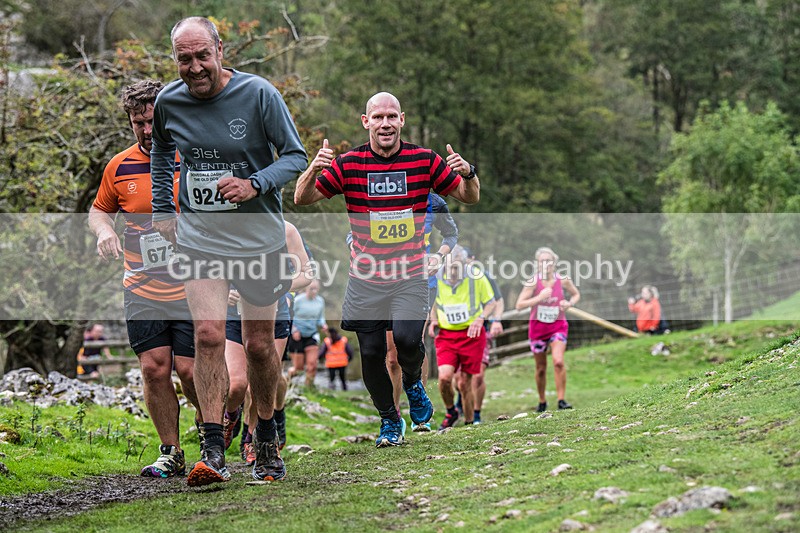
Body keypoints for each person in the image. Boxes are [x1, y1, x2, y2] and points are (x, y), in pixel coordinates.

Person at [150, 17, 307, 485]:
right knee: (208, 337)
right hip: (200, 237)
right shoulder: (167, 102)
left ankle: (264, 445)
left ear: (221, 49)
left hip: (258, 237)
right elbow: (159, 152)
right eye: (184, 58)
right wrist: (162, 211)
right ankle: (213, 448)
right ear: (175, 58)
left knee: (259, 346)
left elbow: (295, 156)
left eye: (202, 55)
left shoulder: (259, 94)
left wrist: (255, 183)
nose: (194, 67)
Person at [295, 91, 480, 447]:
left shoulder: (423, 160)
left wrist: (469, 172)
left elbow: (469, 196)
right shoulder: (349, 164)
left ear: (402, 120)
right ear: (366, 122)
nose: (385, 123)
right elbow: (302, 199)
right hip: (365, 279)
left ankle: (412, 381)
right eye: (377, 117)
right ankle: (390, 421)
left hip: (409, 274)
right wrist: (313, 168)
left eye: (391, 117)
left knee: (409, 341)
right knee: (373, 353)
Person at [88, 79, 201, 478]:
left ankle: (210, 439)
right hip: (141, 285)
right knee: (154, 368)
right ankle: (171, 451)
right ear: (130, 123)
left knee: (189, 370)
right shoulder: (119, 166)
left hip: (193, 284)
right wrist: (104, 231)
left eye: (153, 120)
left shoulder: (191, 158)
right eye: (139, 123)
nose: (148, 130)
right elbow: (100, 209)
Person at [345, 190, 458, 431]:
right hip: (380, 283)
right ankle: (394, 416)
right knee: (391, 354)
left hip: (420, 282)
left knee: (411, 341)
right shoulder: (379, 196)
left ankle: (420, 408)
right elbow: (353, 234)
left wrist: (438, 257)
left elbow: (451, 234)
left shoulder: (433, 202)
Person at [224, 221, 312, 464]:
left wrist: (273, 288)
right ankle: (228, 418)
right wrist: (223, 291)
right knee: (236, 385)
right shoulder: (227, 225)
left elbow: (306, 275)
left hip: (274, 314)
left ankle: (252, 439)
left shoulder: (286, 230)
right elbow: (209, 271)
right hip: (235, 315)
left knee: (259, 386)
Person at [428, 245, 497, 429]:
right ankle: (451, 411)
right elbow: (432, 302)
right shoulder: (435, 277)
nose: (452, 272)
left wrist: (481, 319)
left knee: (465, 382)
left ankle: (469, 423)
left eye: (457, 268)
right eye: (450, 267)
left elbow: (491, 303)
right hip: (446, 335)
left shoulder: (476, 276)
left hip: (471, 334)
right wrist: (433, 320)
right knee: (444, 378)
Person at [515, 246, 580, 412]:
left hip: (558, 326)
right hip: (538, 330)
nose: (546, 264)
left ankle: (561, 400)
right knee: (541, 368)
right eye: (543, 261)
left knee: (558, 362)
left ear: (555, 263)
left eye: (549, 261)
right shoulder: (532, 282)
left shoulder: (563, 279)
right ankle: (542, 401)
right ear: (537, 264)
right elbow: (519, 305)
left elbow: (575, 294)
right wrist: (539, 297)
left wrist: (569, 303)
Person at [454, 247, 504, 425]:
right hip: (456, 332)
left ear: (472, 259)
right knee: (457, 380)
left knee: (479, 374)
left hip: (482, 330)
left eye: (463, 259)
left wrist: (496, 320)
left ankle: (476, 415)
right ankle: (461, 400)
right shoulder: (448, 277)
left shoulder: (483, 275)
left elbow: (498, 301)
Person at [287, 280, 328, 388]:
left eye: (316, 289)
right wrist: (294, 330)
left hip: (312, 334)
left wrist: (323, 325)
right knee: (298, 368)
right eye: (311, 289)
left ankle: (309, 389)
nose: (314, 291)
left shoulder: (320, 301)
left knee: (312, 366)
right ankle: (287, 381)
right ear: (306, 289)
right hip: (297, 336)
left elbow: (320, 317)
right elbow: (289, 316)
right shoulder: (298, 300)